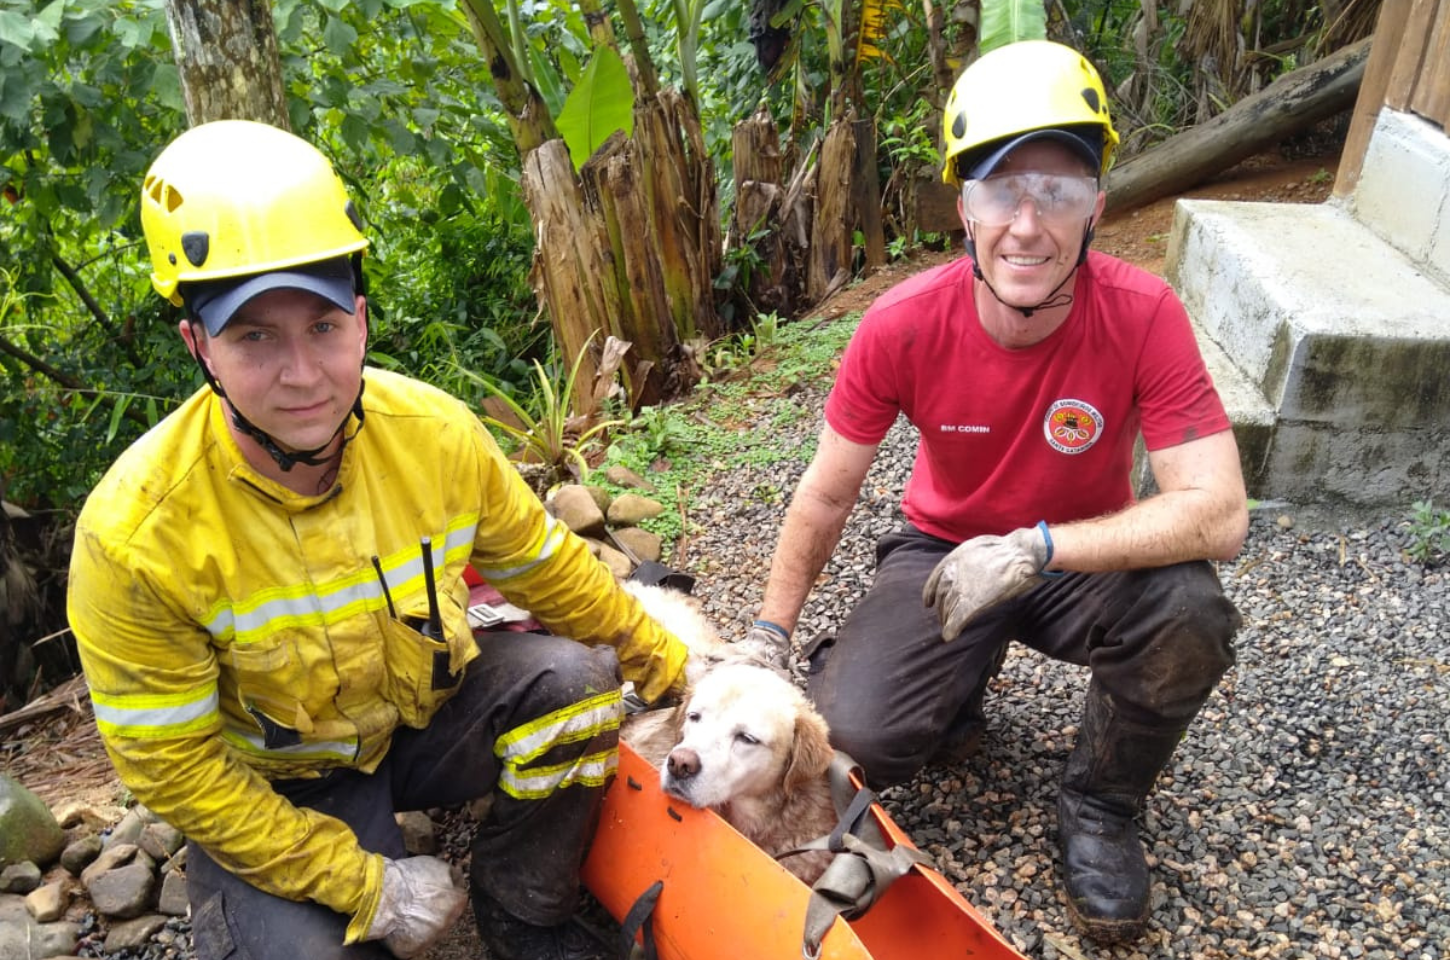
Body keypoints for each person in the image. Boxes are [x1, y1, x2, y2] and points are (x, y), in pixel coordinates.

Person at [67, 119, 691, 960]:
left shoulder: (434, 435)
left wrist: (683, 673)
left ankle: (520, 904)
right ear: (197, 345)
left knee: (578, 680)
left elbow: (551, 571)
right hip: (276, 788)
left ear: (360, 319)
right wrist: (369, 888)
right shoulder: (135, 536)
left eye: (323, 328)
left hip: (417, 727)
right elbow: (174, 769)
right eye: (255, 336)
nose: (302, 374)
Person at [739, 40, 1247, 944]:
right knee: (854, 736)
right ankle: (944, 680)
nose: (1026, 223)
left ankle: (1100, 804)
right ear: (963, 210)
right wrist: (768, 638)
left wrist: (1036, 548)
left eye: (1055, 190)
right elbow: (825, 496)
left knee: (1190, 611)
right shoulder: (900, 325)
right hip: (941, 552)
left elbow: (1219, 511)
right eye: (998, 191)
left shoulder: (1143, 314)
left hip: (1079, 549)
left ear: (1097, 204)